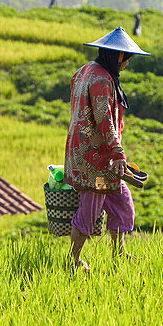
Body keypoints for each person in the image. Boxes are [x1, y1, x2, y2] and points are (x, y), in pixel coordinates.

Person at [63, 27, 150, 272]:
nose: (127, 64)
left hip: (99, 158)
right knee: (91, 207)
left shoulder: (85, 71)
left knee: (122, 201)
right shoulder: (101, 79)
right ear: (118, 57)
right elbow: (104, 119)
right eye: (127, 59)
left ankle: (119, 253)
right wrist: (118, 151)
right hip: (95, 163)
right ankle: (74, 260)